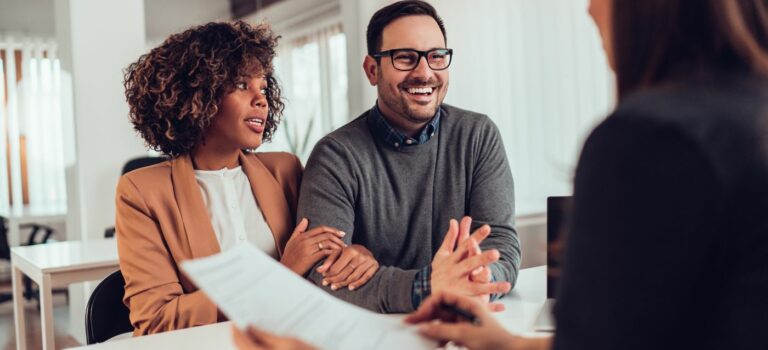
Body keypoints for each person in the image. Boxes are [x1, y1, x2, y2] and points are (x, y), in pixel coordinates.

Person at [407, 0, 768, 349]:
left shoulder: (651, 140)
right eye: (406, 57)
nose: (589, 8)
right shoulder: (749, 115)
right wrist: (512, 344)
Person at [116, 21, 368, 335]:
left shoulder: (285, 170)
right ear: (197, 96)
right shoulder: (141, 192)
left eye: (262, 87)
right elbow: (157, 320)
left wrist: (360, 254)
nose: (261, 99)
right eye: (240, 84)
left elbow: (327, 262)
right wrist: (281, 274)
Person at [296, 0, 520, 313]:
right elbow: (324, 274)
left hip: (464, 325)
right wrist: (427, 288)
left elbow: (501, 245)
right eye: (405, 58)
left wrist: (474, 282)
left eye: (436, 57)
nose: (425, 72)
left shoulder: (478, 135)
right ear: (372, 70)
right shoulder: (335, 156)